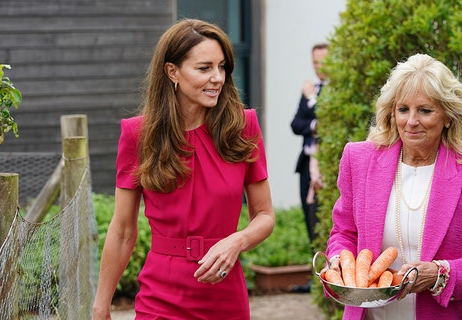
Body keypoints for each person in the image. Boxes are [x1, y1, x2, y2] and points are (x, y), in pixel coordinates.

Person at [91, 19, 275, 319]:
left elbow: (265, 215)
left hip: (224, 292)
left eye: (222, 67)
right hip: (160, 296)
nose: (217, 77)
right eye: (204, 68)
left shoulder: (243, 127)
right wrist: (101, 305)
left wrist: (236, 241)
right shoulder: (139, 135)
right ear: (172, 71)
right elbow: (123, 229)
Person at [324, 53, 462, 320]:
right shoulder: (359, 160)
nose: (411, 121)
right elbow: (344, 232)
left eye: (424, 110)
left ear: (448, 116)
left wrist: (441, 273)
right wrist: (339, 261)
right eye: (403, 109)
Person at [291, 42, 329, 244]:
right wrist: (314, 124)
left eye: (323, 62)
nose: (319, 67)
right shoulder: (311, 88)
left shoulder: (337, 90)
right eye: (315, 62)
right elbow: (296, 124)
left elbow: (330, 120)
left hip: (328, 164)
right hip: (307, 162)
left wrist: (312, 99)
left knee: (326, 219)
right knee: (309, 218)